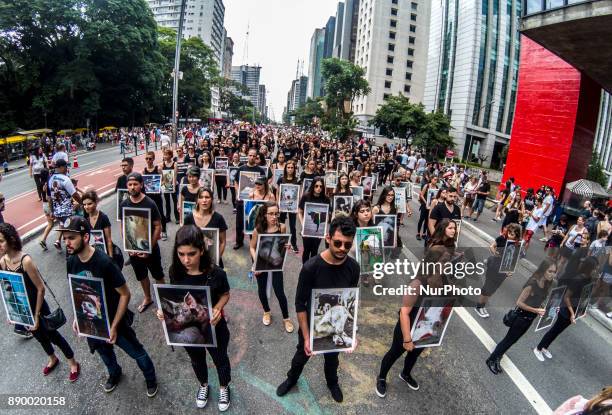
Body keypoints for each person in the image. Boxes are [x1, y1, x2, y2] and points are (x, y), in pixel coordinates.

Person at [61, 216, 158, 396]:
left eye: (71, 238)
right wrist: (77, 315)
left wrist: (113, 326)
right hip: (92, 321)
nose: (67, 242)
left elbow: (125, 294)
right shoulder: (71, 262)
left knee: (137, 352)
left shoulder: (104, 262)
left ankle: (151, 378)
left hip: (115, 321)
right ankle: (114, 373)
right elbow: (76, 290)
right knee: (104, 353)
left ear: (85, 237)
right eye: (65, 238)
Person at [276, 216, 359, 403]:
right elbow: (300, 304)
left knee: (332, 359)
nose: (342, 249)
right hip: (312, 325)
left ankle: (332, 383)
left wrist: (352, 333)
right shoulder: (310, 268)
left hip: (336, 326)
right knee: (301, 356)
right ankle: (291, 379)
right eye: (338, 243)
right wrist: (307, 337)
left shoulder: (353, 268)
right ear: (328, 238)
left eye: (347, 245)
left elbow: (351, 301)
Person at [156, 225, 232, 411]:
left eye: (191, 254)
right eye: (181, 254)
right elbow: (174, 295)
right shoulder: (176, 271)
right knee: (197, 360)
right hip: (189, 332)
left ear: (202, 249)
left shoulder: (216, 273)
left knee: (220, 359)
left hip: (214, 327)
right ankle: (203, 384)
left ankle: (224, 387)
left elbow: (226, 294)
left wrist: (217, 308)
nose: (186, 260)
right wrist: (163, 313)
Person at [0, 223, 80, 379]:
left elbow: (40, 289)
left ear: (10, 239)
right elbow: (8, 288)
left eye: (1, 240)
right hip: (24, 309)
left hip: (38, 308)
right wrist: (13, 313)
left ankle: (73, 362)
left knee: (53, 336)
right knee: (39, 337)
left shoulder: (26, 260)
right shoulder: (2, 262)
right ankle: (52, 358)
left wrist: (36, 316)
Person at [376, 247, 452, 398]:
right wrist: (407, 339)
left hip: (425, 328)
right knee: (394, 353)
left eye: (448, 262)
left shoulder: (444, 280)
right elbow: (404, 312)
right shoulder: (417, 283)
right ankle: (382, 377)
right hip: (407, 327)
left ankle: (405, 374)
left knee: (415, 355)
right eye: (444, 262)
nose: (448, 265)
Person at [486, 259, 557, 375]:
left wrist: (544, 309)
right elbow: (519, 303)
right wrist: (536, 310)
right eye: (550, 271)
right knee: (508, 340)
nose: (552, 274)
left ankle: (498, 357)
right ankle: (491, 359)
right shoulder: (532, 283)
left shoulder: (546, 284)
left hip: (530, 319)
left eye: (554, 272)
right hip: (520, 318)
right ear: (544, 270)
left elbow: (538, 300)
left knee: (513, 341)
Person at [533, 256, 598, 361]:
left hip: (574, 311)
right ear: (589, 268)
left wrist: (582, 311)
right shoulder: (578, 279)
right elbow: (566, 297)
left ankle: (545, 347)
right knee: (554, 330)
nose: (596, 270)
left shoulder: (589, 279)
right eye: (595, 268)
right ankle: (538, 348)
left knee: (558, 332)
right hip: (566, 310)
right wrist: (572, 314)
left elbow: (584, 296)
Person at [119, 172, 165, 313]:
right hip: (134, 249)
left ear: (141, 185)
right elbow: (123, 225)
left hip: (150, 248)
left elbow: (158, 226)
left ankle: (163, 301)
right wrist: (128, 245)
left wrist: (149, 247)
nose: (132, 187)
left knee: (158, 275)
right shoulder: (124, 204)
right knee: (141, 275)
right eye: (130, 184)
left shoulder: (150, 203)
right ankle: (148, 297)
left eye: (135, 184)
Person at [249, 202, 294, 332]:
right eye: (271, 214)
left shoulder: (282, 227)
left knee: (279, 291)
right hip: (261, 261)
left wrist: (287, 245)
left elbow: (282, 243)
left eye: (276, 214)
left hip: (275, 263)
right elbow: (252, 247)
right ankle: (266, 311)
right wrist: (255, 264)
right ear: (264, 215)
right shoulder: (258, 230)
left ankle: (286, 318)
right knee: (261, 289)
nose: (274, 217)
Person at [475, 223, 522, 318]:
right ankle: (478, 306)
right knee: (487, 287)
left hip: (503, 270)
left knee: (493, 289)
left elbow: (515, 258)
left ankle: (482, 305)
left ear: (517, 234)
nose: (510, 234)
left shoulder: (517, 244)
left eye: (513, 233)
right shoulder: (501, 238)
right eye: (510, 231)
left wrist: (510, 270)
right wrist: (495, 252)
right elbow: (492, 246)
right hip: (494, 265)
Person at [183, 187, 228, 268]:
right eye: (201, 197)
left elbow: (222, 242)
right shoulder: (189, 218)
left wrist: (216, 259)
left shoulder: (218, 218)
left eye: (207, 197)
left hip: (213, 260)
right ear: (197, 200)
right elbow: (184, 241)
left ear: (211, 200)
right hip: (194, 261)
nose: (204, 200)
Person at [43, 159, 81, 251]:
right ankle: (72, 252)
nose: (67, 169)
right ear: (61, 167)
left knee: (65, 230)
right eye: (66, 167)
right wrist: (82, 203)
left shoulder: (50, 179)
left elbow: (49, 198)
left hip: (57, 212)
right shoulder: (65, 179)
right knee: (72, 233)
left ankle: (62, 243)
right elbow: (75, 194)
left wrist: (52, 211)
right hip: (67, 212)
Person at [233, 148, 266, 250]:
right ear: (247, 155)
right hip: (241, 200)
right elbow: (236, 182)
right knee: (239, 223)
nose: (252, 157)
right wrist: (238, 193)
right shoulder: (241, 168)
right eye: (250, 155)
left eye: (254, 156)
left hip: (254, 201)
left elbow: (263, 185)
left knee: (253, 222)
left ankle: (254, 242)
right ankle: (239, 241)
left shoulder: (260, 170)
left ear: (256, 157)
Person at [298, 177, 330, 264]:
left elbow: (327, 216)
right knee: (307, 250)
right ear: (313, 186)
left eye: (321, 186)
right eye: (316, 186)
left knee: (314, 250)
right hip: (307, 228)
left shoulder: (326, 199)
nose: (318, 188)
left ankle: (312, 269)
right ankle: (304, 268)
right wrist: (303, 224)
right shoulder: (306, 196)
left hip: (319, 229)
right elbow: (300, 212)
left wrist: (324, 229)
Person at [143, 151, 168, 240]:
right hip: (148, 197)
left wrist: (160, 187)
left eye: (150, 158)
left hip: (157, 196)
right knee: (149, 215)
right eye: (147, 158)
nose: (148, 160)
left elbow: (164, 181)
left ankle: (164, 231)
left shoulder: (158, 169)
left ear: (153, 159)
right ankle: (152, 232)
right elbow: (143, 184)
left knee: (160, 214)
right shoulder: (144, 170)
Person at [82, 190, 113, 257]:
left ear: (96, 203)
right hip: (92, 254)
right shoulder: (85, 219)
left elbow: (108, 240)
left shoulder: (103, 217)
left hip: (104, 253)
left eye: (89, 204)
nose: (86, 207)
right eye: (84, 204)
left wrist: (111, 258)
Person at [278, 160, 300, 253]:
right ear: (285, 168)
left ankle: (294, 244)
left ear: (294, 169)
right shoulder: (281, 179)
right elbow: (278, 192)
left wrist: (297, 207)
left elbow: (298, 194)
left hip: (292, 206)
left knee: (292, 226)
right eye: (288, 167)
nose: (290, 169)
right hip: (282, 205)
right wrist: (278, 204)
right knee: (281, 224)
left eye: (292, 168)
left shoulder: (297, 180)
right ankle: (280, 242)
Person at [160, 148, 179, 225]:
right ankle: (168, 217)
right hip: (166, 184)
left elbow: (175, 176)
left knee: (175, 201)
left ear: (170, 155)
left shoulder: (175, 164)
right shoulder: (162, 164)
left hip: (174, 184)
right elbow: (161, 176)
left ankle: (177, 217)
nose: (165, 156)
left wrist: (173, 185)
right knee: (167, 201)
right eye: (164, 154)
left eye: (166, 154)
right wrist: (162, 184)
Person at [416, 176, 438, 240]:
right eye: (434, 179)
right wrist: (426, 202)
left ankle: (423, 233)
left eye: (436, 180)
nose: (435, 181)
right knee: (421, 219)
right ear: (431, 179)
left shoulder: (436, 187)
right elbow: (421, 195)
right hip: (424, 205)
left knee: (427, 220)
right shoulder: (427, 186)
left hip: (431, 206)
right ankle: (418, 233)